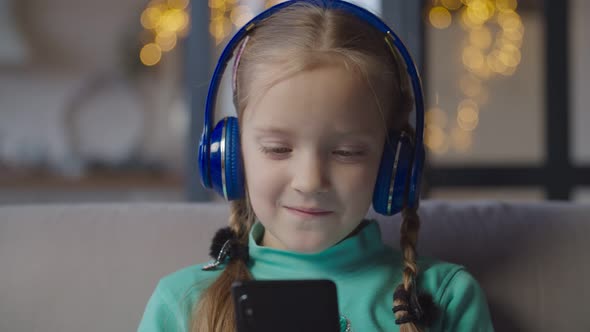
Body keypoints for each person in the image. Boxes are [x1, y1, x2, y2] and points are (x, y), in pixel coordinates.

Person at [138, 1, 494, 331]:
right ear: (230, 155)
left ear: (394, 166)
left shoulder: (445, 298)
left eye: (347, 152)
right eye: (278, 149)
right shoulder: (182, 304)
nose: (309, 182)